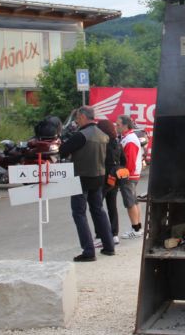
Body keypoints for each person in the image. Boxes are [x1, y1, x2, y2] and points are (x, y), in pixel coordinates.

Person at [59, 106, 115, 262]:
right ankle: (109, 246)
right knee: (98, 210)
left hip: (80, 178)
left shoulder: (80, 136)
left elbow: (62, 150)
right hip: (98, 178)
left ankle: (89, 251)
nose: (77, 120)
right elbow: (108, 158)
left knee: (79, 213)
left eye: (78, 117)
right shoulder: (104, 136)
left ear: (83, 117)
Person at [95, 119, 125, 247]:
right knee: (112, 206)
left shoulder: (102, 143)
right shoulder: (118, 143)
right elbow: (124, 160)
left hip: (103, 178)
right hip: (115, 178)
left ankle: (100, 236)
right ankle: (114, 234)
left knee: (97, 207)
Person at [116, 115, 143, 239]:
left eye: (118, 125)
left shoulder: (130, 140)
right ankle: (137, 227)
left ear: (125, 125)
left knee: (130, 203)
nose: (116, 127)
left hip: (129, 175)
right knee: (134, 201)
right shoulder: (128, 137)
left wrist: (124, 174)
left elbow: (130, 160)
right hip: (132, 174)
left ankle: (136, 228)